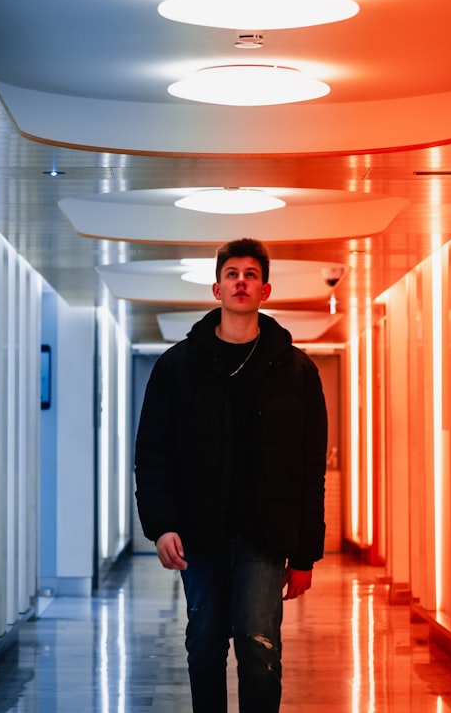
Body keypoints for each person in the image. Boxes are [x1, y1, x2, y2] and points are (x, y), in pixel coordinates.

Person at [134, 237, 328, 712]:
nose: (241, 281)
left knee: (259, 648)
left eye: (251, 274)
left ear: (265, 291)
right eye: (232, 274)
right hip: (201, 536)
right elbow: (152, 453)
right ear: (216, 288)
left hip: (265, 537)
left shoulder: (297, 371)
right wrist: (160, 526)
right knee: (203, 647)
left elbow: (309, 467)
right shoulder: (177, 368)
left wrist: (304, 554)